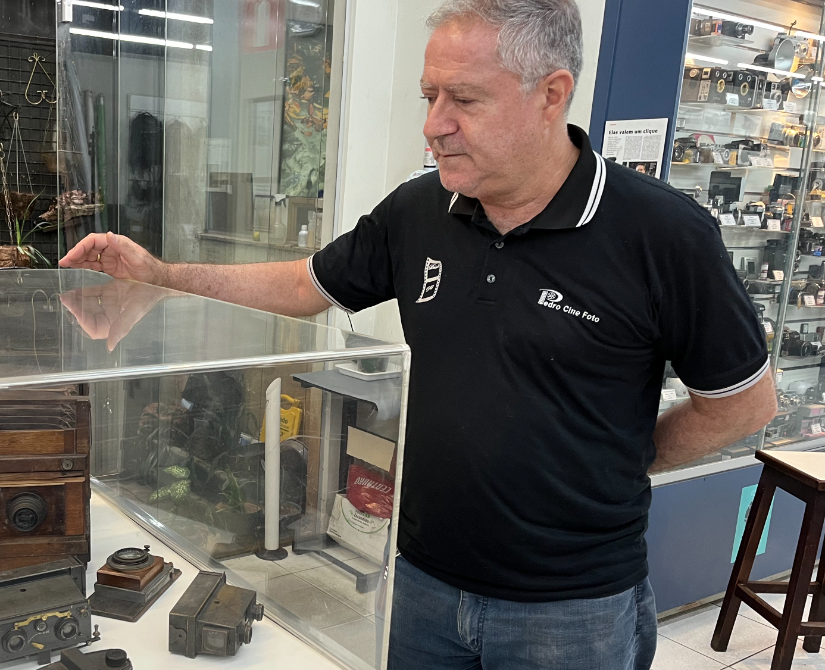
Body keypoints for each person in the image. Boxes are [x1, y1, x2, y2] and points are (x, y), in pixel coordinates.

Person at [59, 0, 777, 666]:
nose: (434, 123)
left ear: (551, 94)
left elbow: (744, 404)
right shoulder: (419, 209)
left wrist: (623, 463)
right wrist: (161, 275)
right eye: (430, 97)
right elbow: (305, 286)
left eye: (463, 99)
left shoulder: (663, 234)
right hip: (420, 584)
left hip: (572, 610)